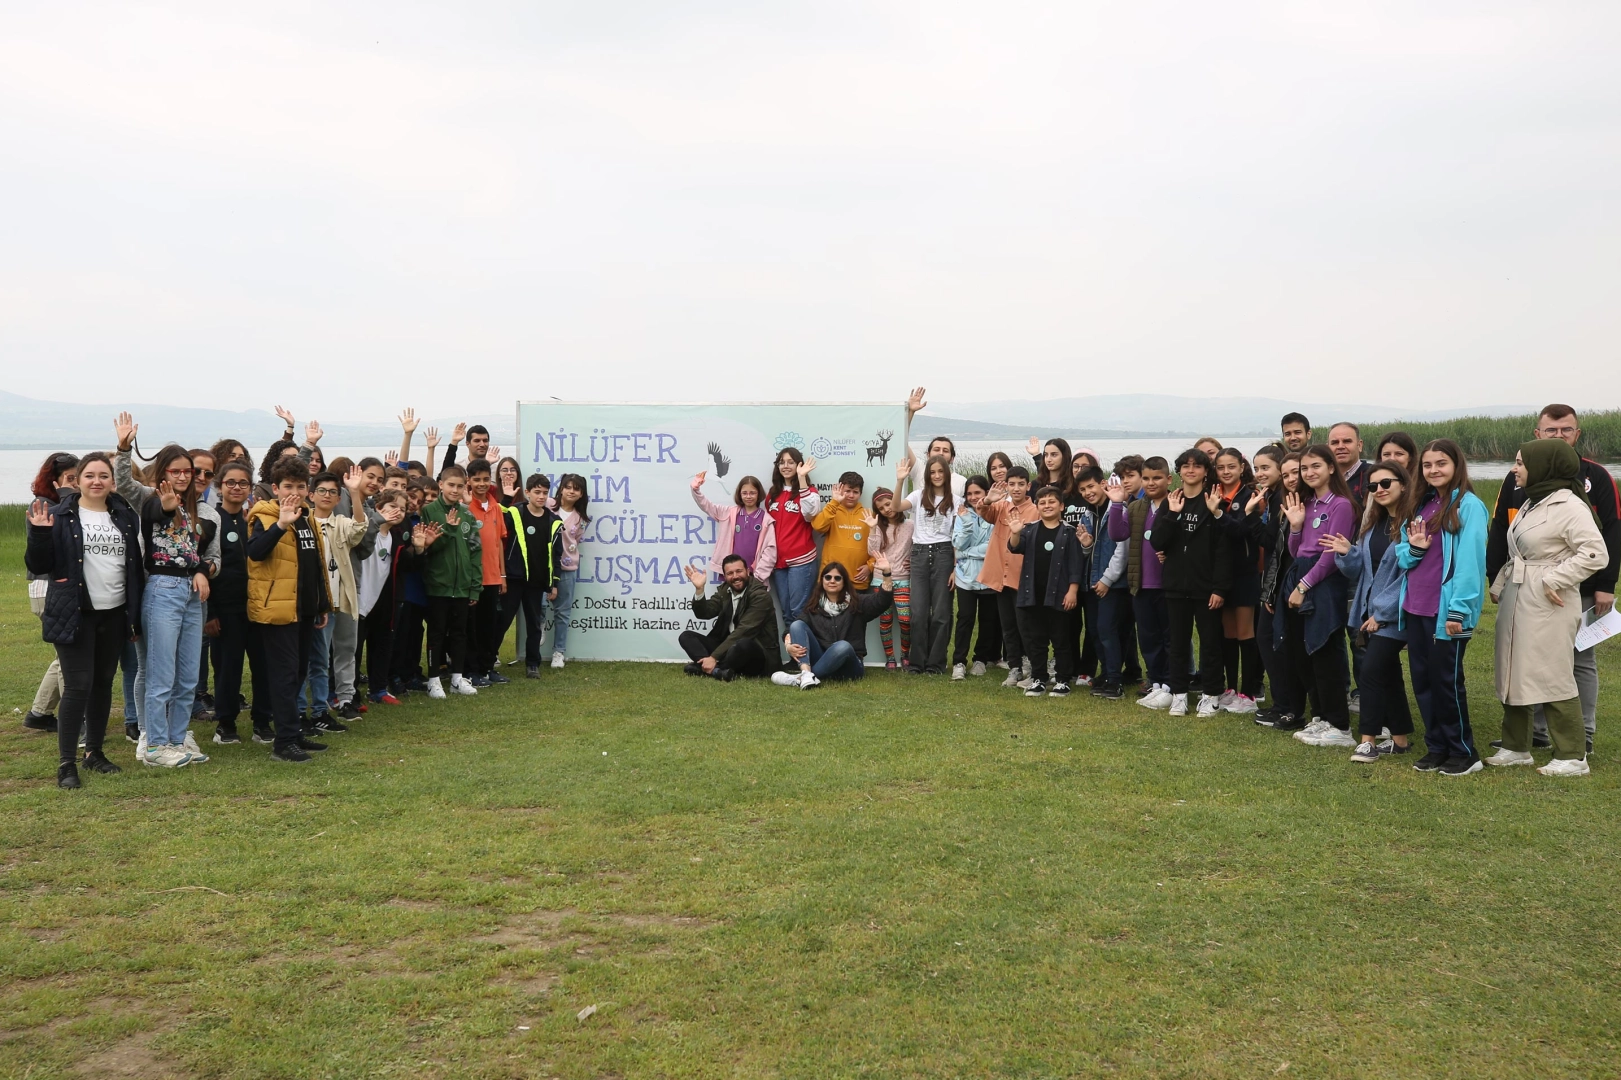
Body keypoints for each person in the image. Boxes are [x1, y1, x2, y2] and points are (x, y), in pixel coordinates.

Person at [1486, 404, 1620, 754]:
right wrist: (1497, 580)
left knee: (1565, 665)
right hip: (1525, 592)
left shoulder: (1575, 498)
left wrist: (1570, 581)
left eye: (1520, 463)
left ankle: (1578, 743)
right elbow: (1502, 532)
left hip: (1561, 593)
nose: (1514, 469)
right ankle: (1524, 740)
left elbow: (1602, 544)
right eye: (1551, 430)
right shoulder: (1531, 498)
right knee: (1521, 662)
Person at [26, 452, 144, 788]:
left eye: (103, 476)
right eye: (89, 475)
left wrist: (133, 616)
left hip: (115, 612)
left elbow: (133, 568)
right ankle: (67, 763)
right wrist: (40, 534)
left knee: (103, 683)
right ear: (77, 481)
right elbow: (39, 564)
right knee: (78, 685)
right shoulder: (59, 515)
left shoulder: (124, 516)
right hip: (74, 613)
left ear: (112, 481)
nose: (96, 481)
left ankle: (94, 752)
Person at [1396, 439, 1489, 776]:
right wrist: (1415, 549)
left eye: (1441, 463)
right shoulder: (1421, 504)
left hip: (1445, 612)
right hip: (1416, 608)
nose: (1433, 470)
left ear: (1456, 465)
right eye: (1427, 465)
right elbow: (1402, 555)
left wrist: (1458, 610)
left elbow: (1470, 563)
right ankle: (1437, 747)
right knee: (1423, 682)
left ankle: (1463, 752)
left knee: (1446, 683)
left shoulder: (1469, 506)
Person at [1321, 461, 1415, 762]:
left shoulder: (1413, 525)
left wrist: (1383, 613)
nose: (1379, 490)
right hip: (1367, 613)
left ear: (1403, 484)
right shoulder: (1373, 524)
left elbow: (1410, 577)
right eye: (1373, 486)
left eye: (1386, 483)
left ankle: (1368, 741)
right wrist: (1347, 553)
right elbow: (1359, 571)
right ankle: (1400, 741)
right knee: (1388, 675)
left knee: (1371, 672)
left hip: (1395, 615)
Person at [246, 457, 333, 763]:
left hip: (305, 609)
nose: (294, 492)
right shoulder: (265, 516)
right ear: (275, 488)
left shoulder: (308, 517)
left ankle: (293, 733)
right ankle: (283, 742)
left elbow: (315, 564)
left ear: (307, 489)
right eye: (287, 487)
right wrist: (281, 524)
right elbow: (255, 552)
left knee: (298, 672)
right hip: (278, 609)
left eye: (299, 486)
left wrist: (322, 604)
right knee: (283, 675)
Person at [1280, 445, 1358, 748]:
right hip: (1301, 574)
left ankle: (1340, 725)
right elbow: (1296, 551)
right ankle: (1321, 716)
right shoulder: (1307, 503)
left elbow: (1330, 557)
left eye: (1316, 466)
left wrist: (1303, 587)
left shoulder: (1341, 505)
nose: (1309, 473)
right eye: (1304, 468)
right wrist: (1296, 526)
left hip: (1322, 583)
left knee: (1325, 650)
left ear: (1330, 468)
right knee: (1304, 653)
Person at [1150, 449, 1231, 717]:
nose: (1191, 470)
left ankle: (1211, 695)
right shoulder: (1171, 501)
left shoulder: (1213, 501)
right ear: (1180, 471)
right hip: (1175, 585)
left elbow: (1223, 549)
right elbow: (1157, 541)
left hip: (1206, 586)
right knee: (1178, 642)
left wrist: (1219, 588)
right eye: (1186, 466)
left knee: (1210, 643)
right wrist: (1172, 515)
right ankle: (1179, 695)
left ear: (1206, 471)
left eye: (1197, 466)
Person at [301, 470, 369, 734]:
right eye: (322, 491)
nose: (327, 496)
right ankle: (306, 708)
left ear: (338, 498)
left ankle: (344, 699)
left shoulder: (340, 522)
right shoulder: (302, 523)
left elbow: (360, 529)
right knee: (315, 658)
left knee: (344, 650)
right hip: (316, 602)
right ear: (311, 495)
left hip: (342, 599)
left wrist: (354, 493)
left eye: (332, 492)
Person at [1007, 485, 1086, 697]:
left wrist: (1072, 591)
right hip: (1033, 595)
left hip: (1059, 595)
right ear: (1037, 506)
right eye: (1042, 502)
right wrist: (1015, 532)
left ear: (1061, 506)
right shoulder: (1029, 530)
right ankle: (1039, 678)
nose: (1047, 505)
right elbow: (1015, 547)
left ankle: (1062, 680)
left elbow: (1076, 564)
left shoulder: (1069, 532)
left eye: (1052, 502)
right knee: (1036, 640)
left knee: (1062, 640)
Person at [773, 555, 897, 688]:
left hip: (850, 667)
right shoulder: (814, 606)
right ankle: (806, 674)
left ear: (844, 582)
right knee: (797, 625)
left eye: (837, 578)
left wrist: (887, 573)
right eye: (828, 577)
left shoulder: (857, 603)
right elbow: (792, 629)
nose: (832, 581)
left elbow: (882, 601)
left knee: (843, 646)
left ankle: (801, 677)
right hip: (823, 661)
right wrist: (788, 646)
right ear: (822, 581)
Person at [24, 452, 78, 734]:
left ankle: (39, 713)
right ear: (54, 480)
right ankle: (76, 719)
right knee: (69, 656)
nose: (76, 483)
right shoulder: (45, 506)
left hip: (51, 587)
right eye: (70, 478)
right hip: (49, 587)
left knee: (62, 655)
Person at [1247, 448, 1300, 729]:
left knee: (1275, 643)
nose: (1260, 473)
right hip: (1275, 582)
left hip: (1284, 583)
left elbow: (1272, 543)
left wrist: (1251, 516)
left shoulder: (1283, 498)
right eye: (1256, 468)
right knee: (1268, 641)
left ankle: (1288, 706)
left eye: (1265, 467)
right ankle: (1283, 704)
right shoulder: (1273, 496)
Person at [419, 464, 482, 697]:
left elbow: (475, 550)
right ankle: (433, 680)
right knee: (436, 633)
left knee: (459, 633)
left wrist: (475, 586)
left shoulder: (467, 513)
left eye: (460, 486)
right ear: (441, 485)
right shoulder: (429, 511)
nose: (455, 490)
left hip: (462, 586)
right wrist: (449, 530)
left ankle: (457, 678)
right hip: (439, 585)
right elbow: (429, 549)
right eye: (451, 485)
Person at [1115, 456, 1172, 708]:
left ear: (1168, 479)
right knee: (1148, 638)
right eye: (1146, 478)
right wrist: (1116, 503)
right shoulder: (1137, 507)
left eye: (1156, 478)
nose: (1151, 483)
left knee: (1170, 638)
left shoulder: (1176, 503)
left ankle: (1171, 684)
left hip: (1169, 585)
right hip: (1141, 584)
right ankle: (1156, 682)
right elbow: (1118, 533)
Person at [978, 467, 1041, 687]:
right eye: (1012, 484)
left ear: (1028, 486)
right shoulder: (1000, 507)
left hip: (1023, 577)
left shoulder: (1036, 511)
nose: (1016, 489)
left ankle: (1034, 667)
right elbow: (983, 512)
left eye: (1021, 484)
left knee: (1027, 625)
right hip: (1001, 577)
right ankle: (1015, 667)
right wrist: (988, 499)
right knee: (1008, 626)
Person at [207, 461, 255, 744]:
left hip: (257, 607)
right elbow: (205, 569)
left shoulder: (254, 521)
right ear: (220, 486)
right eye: (231, 482)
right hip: (225, 608)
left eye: (243, 483)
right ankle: (226, 723)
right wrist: (210, 612)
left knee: (262, 666)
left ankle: (263, 721)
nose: (237, 488)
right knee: (228, 668)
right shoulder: (212, 521)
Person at [1212, 447, 1262, 713]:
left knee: (1245, 633)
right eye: (1221, 467)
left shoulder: (1250, 494)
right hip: (1221, 574)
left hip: (1245, 573)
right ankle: (1230, 689)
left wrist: (1219, 513)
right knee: (1228, 634)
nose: (1226, 472)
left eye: (1231, 466)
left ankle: (1249, 693)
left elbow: (1241, 529)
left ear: (1242, 467)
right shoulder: (1214, 493)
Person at [900, 454, 957, 674]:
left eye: (940, 471)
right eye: (932, 472)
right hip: (920, 553)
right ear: (927, 475)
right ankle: (917, 663)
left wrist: (955, 568)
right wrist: (899, 481)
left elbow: (957, 537)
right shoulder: (918, 495)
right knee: (918, 612)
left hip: (944, 553)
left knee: (941, 613)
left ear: (947, 473)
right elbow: (896, 506)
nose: (937, 475)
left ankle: (936, 664)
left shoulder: (957, 500)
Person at [356, 488, 411, 706]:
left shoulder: (396, 538)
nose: (398, 512)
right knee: (353, 650)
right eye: (393, 506)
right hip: (359, 600)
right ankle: (347, 693)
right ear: (378, 508)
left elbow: (405, 566)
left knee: (382, 645)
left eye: (403, 509)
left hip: (384, 600)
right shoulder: (366, 530)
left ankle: (378, 689)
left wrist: (419, 549)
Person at [679, 556, 777, 679]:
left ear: (747, 571)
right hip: (728, 649)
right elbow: (705, 613)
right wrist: (699, 590)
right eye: (730, 573)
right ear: (725, 576)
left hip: (756, 654)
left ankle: (709, 668)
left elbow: (744, 631)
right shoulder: (725, 590)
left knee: (743, 644)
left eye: (739, 571)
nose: (735, 576)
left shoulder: (760, 596)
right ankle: (718, 671)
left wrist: (714, 657)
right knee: (686, 636)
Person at [504, 474, 562, 679]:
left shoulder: (553, 521)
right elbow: (496, 524)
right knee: (502, 621)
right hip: (513, 578)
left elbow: (556, 555)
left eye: (545, 493)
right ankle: (487, 661)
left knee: (534, 625)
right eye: (537, 492)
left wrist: (554, 583)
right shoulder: (515, 512)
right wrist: (506, 498)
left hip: (536, 582)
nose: (541, 496)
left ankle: (532, 664)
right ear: (527, 492)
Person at [464, 458, 510, 686]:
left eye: (485, 479)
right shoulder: (464, 507)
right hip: (472, 579)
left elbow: (499, 541)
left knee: (488, 626)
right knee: (471, 627)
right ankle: (472, 671)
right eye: (477, 480)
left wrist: (502, 575)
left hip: (492, 577)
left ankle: (487, 667)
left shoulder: (495, 506)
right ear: (469, 481)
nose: (481, 484)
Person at [763, 448, 822, 625]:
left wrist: (802, 479)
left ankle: (803, 644)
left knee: (798, 612)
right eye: (782, 462)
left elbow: (811, 514)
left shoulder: (810, 492)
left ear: (799, 465)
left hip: (801, 560)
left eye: (791, 462)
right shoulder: (773, 494)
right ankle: (792, 644)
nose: (786, 466)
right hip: (778, 562)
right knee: (787, 613)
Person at [950, 476, 1000, 680]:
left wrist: (967, 553)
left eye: (977, 492)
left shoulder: (994, 513)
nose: (973, 497)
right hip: (965, 576)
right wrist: (966, 523)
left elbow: (993, 546)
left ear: (986, 493)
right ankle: (959, 662)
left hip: (988, 575)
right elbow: (958, 544)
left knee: (988, 620)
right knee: (965, 618)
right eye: (969, 493)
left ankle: (981, 660)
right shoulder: (962, 514)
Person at [693, 470, 777, 581]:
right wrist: (695, 490)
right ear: (739, 494)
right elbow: (707, 506)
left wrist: (759, 577)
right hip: (731, 573)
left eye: (752, 493)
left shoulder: (766, 519)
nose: (748, 496)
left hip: (754, 576)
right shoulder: (729, 513)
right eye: (744, 493)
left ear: (759, 494)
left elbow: (770, 551)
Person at [868, 486, 913, 668]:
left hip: (903, 578)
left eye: (888, 504)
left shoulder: (910, 525)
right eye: (881, 508)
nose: (886, 509)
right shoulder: (878, 527)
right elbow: (872, 551)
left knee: (905, 620)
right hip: (881, 579)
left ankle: (905, 654)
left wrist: (913, 561)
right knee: (885, 621)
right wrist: (872, 529)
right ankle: (890, 659)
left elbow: (918, 546)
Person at [550, 473, 590, 669]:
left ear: (581, 494)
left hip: (567, 567)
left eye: (576, 489)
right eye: (568, 487)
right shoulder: (548, 505)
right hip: (543, 566)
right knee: (538, 604)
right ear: (561, 489)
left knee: (563, 612)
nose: (571, 491)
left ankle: (559, 652)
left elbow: (576, 540)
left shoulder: (581, 519)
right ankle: (539, 625)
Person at [812, 472, 874, 589]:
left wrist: (870, 566)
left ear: (860, 494)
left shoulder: (869, 514)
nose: (851, 495)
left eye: (855, 492)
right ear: (840, 491)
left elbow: (879, 544)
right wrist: (834, 502)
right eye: (847, 491)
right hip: (831, 580)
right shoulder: (831, 510)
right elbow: (818, 526)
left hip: (857, 581)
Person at [902, 387, 967, 498]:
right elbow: (901, 441)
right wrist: (910, 412)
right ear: (928, 455)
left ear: (952, 458)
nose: (941, 453)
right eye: (936, 449)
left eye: (945, 450)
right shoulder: (919, 471)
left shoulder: (961, 481)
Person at [1328, 423, 1373, 503]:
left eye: (1347, 441)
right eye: (1335, 442)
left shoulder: (1373, 475)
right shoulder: (1321, 477)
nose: (1340, 446)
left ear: (1359, 445)